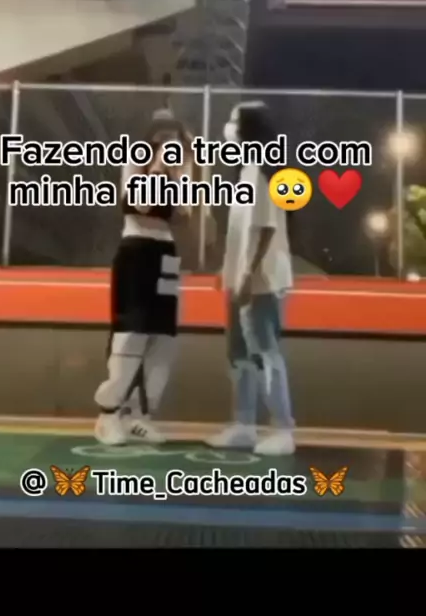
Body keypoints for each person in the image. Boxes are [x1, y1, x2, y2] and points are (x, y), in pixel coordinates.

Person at [94, 109, 195, 446]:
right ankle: (109, 414)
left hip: (165, 254)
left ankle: (140, 414)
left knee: (162, 337)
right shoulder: (136, 163)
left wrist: (180, 175)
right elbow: (137, 206)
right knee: (131, 332)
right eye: (163, 138)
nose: (169, 145)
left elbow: (182, 215)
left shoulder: (179, 171)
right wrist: (160, 175)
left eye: (175, 140)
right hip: (136, 251)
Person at [207, 101, 296, 455]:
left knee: (264, 352)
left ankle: (282, 428)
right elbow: (242, 233)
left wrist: (246, 274)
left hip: (261, 281)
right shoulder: (247, 170)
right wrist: (228, 271)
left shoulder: (262, 171)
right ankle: (243, 424)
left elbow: (266, 230)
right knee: (239, 353)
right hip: (242, 279)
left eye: (234, 122)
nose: (229, 129)